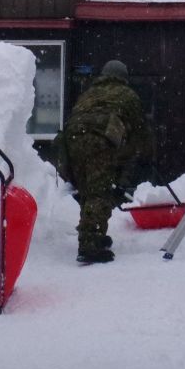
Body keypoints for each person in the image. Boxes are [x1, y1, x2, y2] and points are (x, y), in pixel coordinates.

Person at [56, 60, 154, 263]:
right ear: (123, 77)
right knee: (99, 192)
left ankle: (95, 235)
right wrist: (146, 152)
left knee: (88, 190)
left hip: (70, 142)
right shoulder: (127, 95)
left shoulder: (89, 93)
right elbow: (139, 130)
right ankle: (89, 245)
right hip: (98, 141)